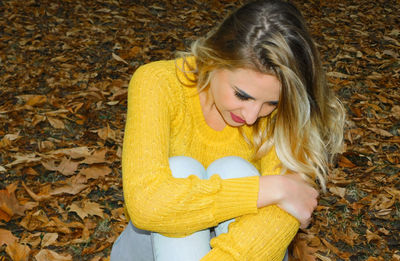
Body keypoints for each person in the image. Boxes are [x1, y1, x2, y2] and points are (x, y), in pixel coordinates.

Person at [110, 0, 345, 260]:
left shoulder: (287, 114)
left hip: (244, 253)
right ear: (213, 59)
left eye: (271, 103)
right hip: (152, 247)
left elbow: (276, 223)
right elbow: (146, 204)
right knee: (181, 170)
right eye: (242, 95)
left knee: (234, 170)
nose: (252, 115)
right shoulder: (158, 83)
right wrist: (272, 188)